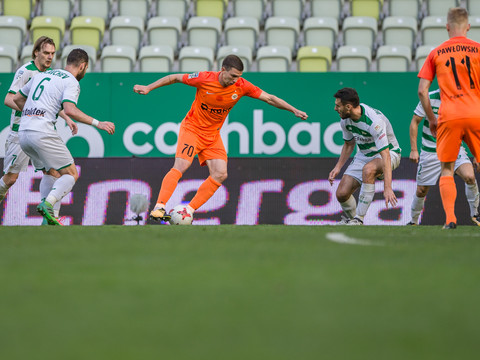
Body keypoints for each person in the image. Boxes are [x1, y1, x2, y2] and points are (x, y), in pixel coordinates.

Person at [133, 55, 308, 221]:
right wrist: (149, 87)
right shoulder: (204, 78)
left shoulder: (242, 85)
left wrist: (293, 110)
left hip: (212, 135)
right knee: (182, 165)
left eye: (238, 76)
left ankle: (188, 210)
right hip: (192, 130)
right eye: (232, 75)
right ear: (223, 69)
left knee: (220, 174)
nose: (235, 80)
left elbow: (270, 98)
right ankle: (159, 207)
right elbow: (174, 77)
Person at [12, 48, 115, 225]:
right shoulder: (71, 81)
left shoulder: (42, 75)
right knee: (71, 174)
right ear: (82, 66)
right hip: (42, 132)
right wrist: (99, 123)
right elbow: (70, 109)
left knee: (50, 172)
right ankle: (48, 204)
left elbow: (17, 99)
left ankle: (48, 220)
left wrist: (32, 114)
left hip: (24, 133)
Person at [1, 36, 77, 224]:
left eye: (52, 53)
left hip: (39, 131)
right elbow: (9, 99)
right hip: (20, 132)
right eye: (46, 53)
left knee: (53, 172)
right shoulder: (25, 71)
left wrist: (66, 117)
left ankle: (51, 218)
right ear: (36, 52)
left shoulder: (51, 74)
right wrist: (32, 112)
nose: (50, 57)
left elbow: (49, 104)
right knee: (10, 179)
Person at [418, 7, 480, 229]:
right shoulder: (478, 49)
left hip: (449, 115)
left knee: (447, 168)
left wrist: (432, 118)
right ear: (468, 26)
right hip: (476, 113)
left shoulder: (436, 52)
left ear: (447, 27)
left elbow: (422, 90)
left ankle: (450, 219)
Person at [328, 87, 401, 225]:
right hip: (364, 155)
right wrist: (337, 167)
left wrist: (388, 187)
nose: (335, 108)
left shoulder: (374, 121)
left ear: (348, 107)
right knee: (342, 194)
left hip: (390, 154)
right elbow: (349, 144)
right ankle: (352, 220)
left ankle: (359, 219)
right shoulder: (345, 120)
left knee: (368, 170)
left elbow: (385, 155)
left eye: (338, 105)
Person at [408, 88, 480, 225]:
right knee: (421, 190)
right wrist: (413, 149)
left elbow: (468, 129)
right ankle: (413, 220)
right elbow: (414, 122)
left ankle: (475, 214)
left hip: (454, 147)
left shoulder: (462, 100)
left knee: (470, 177)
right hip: (430, 151)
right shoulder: (429, 98)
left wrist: (477, 154)